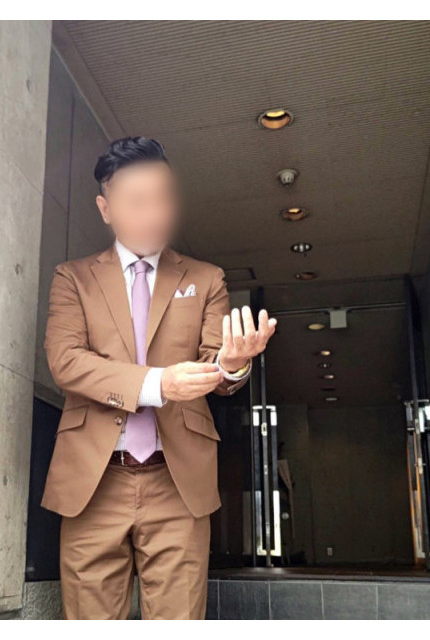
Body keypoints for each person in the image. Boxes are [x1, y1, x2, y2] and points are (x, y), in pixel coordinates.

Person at [41, 136, 277, 620]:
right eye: (138, 201)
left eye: (164, 198)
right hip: (93, 479)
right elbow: (65, 361)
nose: (155, 213)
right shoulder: (74, 278)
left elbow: (218, 366)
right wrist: (158, 385)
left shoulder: (206, 278)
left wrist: (232, 363)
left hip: (178, 479)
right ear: (106, 208)